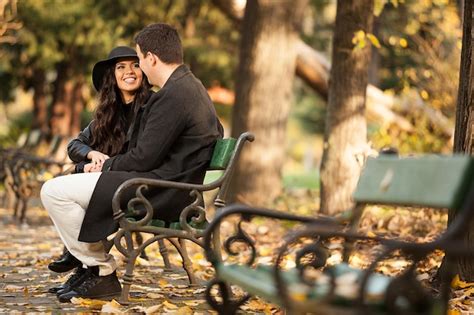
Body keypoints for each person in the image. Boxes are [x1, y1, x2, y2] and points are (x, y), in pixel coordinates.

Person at [40, 23, 223, 303]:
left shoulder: (173, 95)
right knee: (62, 186)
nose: (138, 69)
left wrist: (104, 166)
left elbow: (142, 158)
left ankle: (100, 269)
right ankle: (91, 268)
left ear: (150, 58)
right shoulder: (189, 88)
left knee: (53, 191)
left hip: (158, 190)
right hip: (166, 184)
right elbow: (215, 131)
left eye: (138, 60)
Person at [44, 46, 151, 295]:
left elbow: (141, 155)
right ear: (112, 76)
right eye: (121, 67)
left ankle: (85, 261)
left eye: (135, 65)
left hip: (132, 185)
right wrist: (91, 157)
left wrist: (100, 166)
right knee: (75, 176)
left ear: (144, 72)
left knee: (67, 186)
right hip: (109, 179)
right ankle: (86, 265)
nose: (129, 71)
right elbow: (75, 145)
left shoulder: (150, 108)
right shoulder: (106, 113)